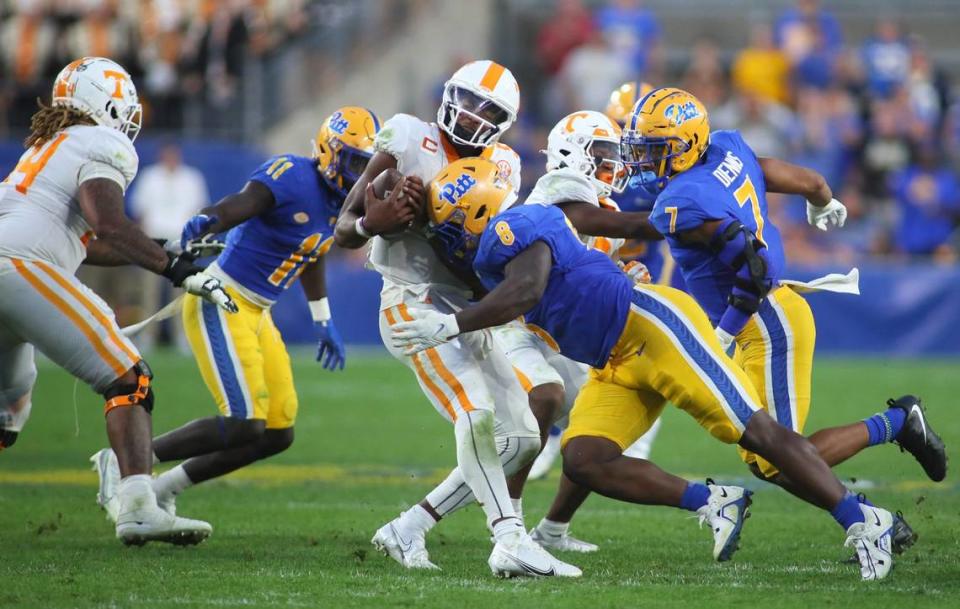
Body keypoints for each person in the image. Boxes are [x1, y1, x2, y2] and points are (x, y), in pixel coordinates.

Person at [393, 157, 901, 581]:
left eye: (454, 223)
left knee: (758, 432)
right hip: (612, 359)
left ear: (479, 211)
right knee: (584, 457)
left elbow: (525, 290)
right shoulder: (495, 243)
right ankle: (713, 501)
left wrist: (451, 325)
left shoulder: (517, 224)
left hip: (651, 328)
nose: (450, 236)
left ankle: (863, 521)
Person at [623, 87, 947, 565]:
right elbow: (768, 169)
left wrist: (725, 333)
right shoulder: (725, 148)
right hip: (760, 313)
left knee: (780, 455)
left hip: (764, 317)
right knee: (767, 457)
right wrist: (819, 190)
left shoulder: (686, 199)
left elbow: (758, 271)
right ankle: (874, 510)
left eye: (656, 148)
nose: (647, 159)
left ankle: (897, 429)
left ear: (686, 143)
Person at [335, 60, 579, 578]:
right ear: (448, 95)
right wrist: (368, 221)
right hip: (409, 299)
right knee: (475, 410)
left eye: (486, 110)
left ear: (504, 122)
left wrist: (445, 233)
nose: (470, 115)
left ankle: (408, 528)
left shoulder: (504, 165)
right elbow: (342, 230)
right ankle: (510, 536)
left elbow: (482, 268)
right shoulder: (406, 136)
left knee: (524, 439)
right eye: (466, 100)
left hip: (467, 308)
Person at [91, 107, 372, 525]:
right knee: (243, 423)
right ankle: (126, 458)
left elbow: (314, 253)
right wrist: (210, 219)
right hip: (222, 299)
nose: (358, 174)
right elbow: (247, 201)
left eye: (365, 166)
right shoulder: (294, 174)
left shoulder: (343, 202)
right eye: (352, 161)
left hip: (259, 313)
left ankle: (165, 487)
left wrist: (322, 318)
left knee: (278, 432)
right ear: (329, 152)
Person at [0, 57, 235, 545]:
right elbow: (107, 221)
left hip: (13, 266)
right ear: (103, 105)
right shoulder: (98, 142)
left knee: (8, 406)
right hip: (19, 268)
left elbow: (90, 242)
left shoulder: (48, 146)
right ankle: (139, 507)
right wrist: (176, 271)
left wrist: (163, 251)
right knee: (129, 377)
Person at [130, 142, 210, 351]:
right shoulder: (150, 177)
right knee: (149, 291)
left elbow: (197, 211)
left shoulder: (191, 178)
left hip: (182, 241)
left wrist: (193, 241)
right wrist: (143, 241)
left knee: (184, 291)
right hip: (154, 241)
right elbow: (140, 212)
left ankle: (182, 335)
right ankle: (147, 335)